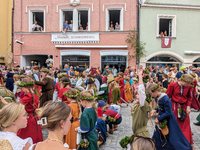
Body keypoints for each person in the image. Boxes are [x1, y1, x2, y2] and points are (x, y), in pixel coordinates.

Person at [149, 83, 193, 150]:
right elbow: (160, 107)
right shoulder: (157, 97)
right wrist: (154, 110)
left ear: (155, 92)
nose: (151, 96)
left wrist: (158, 118)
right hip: (161, 118)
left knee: (171, 137)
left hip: (168, 120)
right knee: (158, 135)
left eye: (151, 93)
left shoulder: (166, 99)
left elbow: (168, 112)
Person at [166, 74, 194, 144]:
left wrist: (188, 107)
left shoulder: (189, 86)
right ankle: (174, 141)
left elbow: (189, 97)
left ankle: (185, 141)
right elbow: (167, 96)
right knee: (174, 123)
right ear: (182, 80)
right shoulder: (172, 85)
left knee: (185, 124)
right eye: (187, 83)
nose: (188, 84)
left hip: (183, 107)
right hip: (174, 107)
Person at [16, 78, 43, 143]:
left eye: (22, 88)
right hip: (35, 117)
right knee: (35, 135)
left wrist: (6, 103)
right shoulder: (35, 94)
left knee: (26, 135)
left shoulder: (28, 96)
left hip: (29, 118)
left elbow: (18, 106)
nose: (21, 90)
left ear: (25, 87)